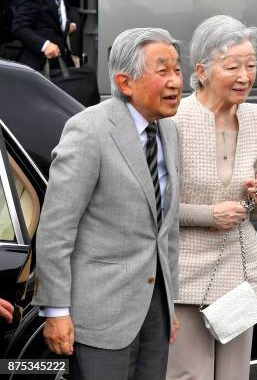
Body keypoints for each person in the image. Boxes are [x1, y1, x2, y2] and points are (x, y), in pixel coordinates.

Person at [31, 27, 182, 380]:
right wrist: (56, 311)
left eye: (177, 70)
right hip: (99, 313)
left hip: (155, 310)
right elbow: (57, 227)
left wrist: (169, 304)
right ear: (125, 82)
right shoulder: (89, 130)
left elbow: (166, 229)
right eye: (163, 72)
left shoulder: (169, 131)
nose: (176, 81)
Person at [166, 15, 257, 380]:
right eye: (233, 66)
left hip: (239, 273)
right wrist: (207, 215)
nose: (245, 76)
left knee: (234, 376)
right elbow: (149, 205)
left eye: (251, 65)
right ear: (202, 69)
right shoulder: (173, 121)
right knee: (188, 376)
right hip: (184, 275)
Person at [11, 0, 78, 71]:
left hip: (60, 64)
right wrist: (44, 45)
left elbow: (62, 16)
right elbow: (19, 27)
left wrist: (71, 25)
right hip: (39, 66)